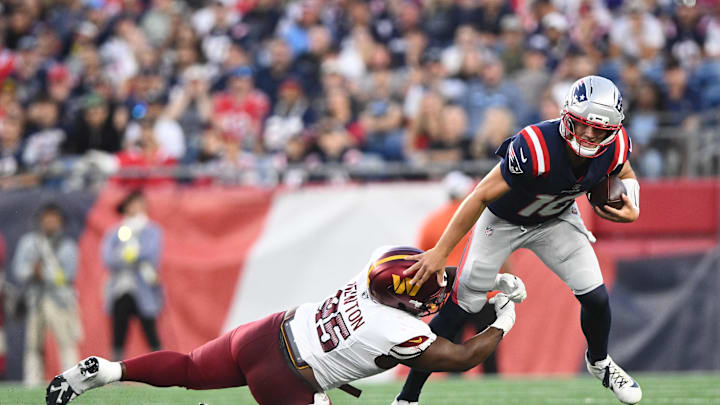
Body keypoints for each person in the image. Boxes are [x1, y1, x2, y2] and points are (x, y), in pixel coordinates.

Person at [393, 76, 643, 405]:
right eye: (583, 125)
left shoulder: (617, 144)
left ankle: (600, 363)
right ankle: (407, 397)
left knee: (596, 297)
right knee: (459, 309)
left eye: (599, 130)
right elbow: (480, 195)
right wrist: (440, 252)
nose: (589, 135)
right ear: (567, 116)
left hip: (556, 219)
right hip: (502, 222)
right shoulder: (536, 146)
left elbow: (624, 173)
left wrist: (633, 204)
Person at [46, 246, 523, 405]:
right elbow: (461, 358)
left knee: (190, 368)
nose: (438, 291)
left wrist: (490, 279)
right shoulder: (394, 329)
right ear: (401, 295)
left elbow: (420, 273)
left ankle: (108, 372)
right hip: (289, 378)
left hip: (264, 332)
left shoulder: (374, 272)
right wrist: (505, 317)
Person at [13, 203, 82, 387]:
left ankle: (73, 382)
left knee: (66, 342)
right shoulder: (29, 243)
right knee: (33, 345)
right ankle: (32, 383)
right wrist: (31, 271)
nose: (50, 222)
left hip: (59, 300)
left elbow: (69, 275)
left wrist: (45, 274)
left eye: (54, 219)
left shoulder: (68, 246)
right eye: (47, 219)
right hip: (35, 299)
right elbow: (19, 270)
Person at [102, 190, 164, 361]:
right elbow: (108, 259)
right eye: (132, 204)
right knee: (118, 332)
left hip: (144, 287)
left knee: (150, 330)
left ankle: (162, 366)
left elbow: (152, 255)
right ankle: (114, 371)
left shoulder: (152, 230)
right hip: (120, 288)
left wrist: (131, 255)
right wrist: (127, 258)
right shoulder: (115, 232)